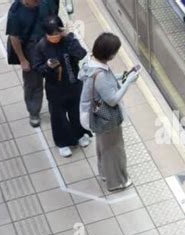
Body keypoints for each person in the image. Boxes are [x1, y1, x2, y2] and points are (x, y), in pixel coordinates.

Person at [79, 33, 139, 191]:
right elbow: (112, 99)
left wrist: (124, 76)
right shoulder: (100, 76)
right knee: (114, 149)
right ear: (110, 54)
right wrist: (129, 83)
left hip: (95, 116)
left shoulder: (91, 63)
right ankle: (117, 182)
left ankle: (104, 173)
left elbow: (109, 80)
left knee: (103, 146)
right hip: (107, 119)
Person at [33, 15, 92, 157]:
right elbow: (37, 67)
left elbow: (81, 53)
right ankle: (63, 142)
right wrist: (47, 66)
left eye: (57, 33)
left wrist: (69, 38)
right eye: (51, 34)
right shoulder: (41, 47)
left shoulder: (69, 40)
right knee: (58, 116)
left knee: (76, 111)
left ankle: (80, 134)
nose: (55, 37)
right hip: (55, 88)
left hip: (73, 83)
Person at [6, 0, 59, 128]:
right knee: (33, 82)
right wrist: (23, 59)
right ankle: (34, 111)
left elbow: (55, 18)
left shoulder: (47, 2)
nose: (38, 3)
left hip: (50, 43)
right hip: (31, 47)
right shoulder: (16, 11)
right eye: (35, 2)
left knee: (57, 78)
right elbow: (14, 37)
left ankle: (57, 109)